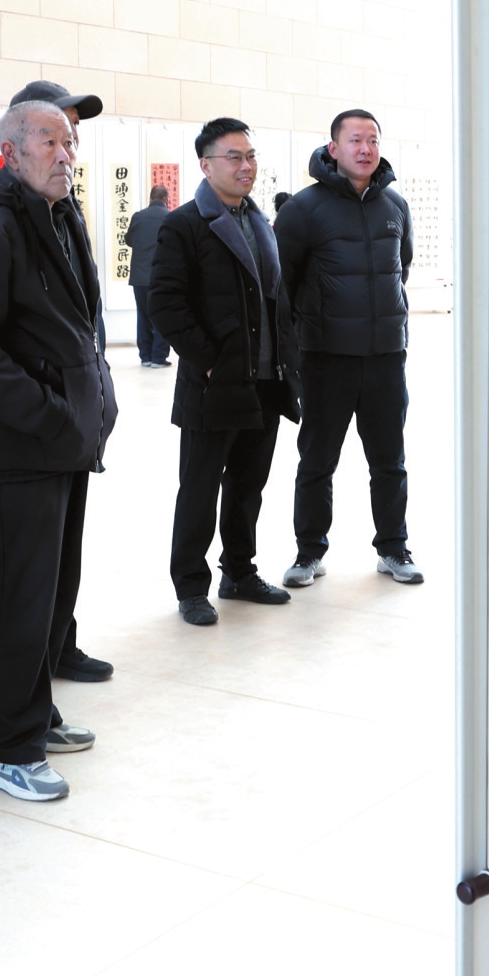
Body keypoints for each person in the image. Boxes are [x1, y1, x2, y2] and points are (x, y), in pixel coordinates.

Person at [0, 99, 116, 801]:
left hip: (62, 438)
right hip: (21, 443)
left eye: (69, 142)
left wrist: (91, 402)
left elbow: (77, 326)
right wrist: (44, 410)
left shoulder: (56, 215)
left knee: (49, 595)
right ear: (11, 151)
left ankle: (33, 716)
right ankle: (8, 749)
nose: (65, 154)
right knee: (19, 596)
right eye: (49, 141)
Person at [148, 119, 299, 624]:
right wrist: (210, 360)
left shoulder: (260, 223)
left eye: (250, 156)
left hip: (265, 381)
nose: (246, 166)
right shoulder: (185, 225)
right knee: (199, 488)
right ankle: (191, 587)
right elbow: (165, 304)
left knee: (248, 486)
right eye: (234, 157)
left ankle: (239, 572)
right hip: (213, 385)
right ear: (206, 164)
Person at [276, 108, 421, 586]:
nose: (365, 149)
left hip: (386, 358)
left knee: (390, 462)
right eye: (355, 140)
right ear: (333, 148)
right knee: (317, 462)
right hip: (326, 358)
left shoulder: (395, 207)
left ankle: (394, 548)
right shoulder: (303, 209)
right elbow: (283, 285)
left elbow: (401, 268)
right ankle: (309, 553)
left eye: (372, 140)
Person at [123, 184, 172, 368]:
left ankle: (145, 356)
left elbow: (129, 240)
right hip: (161, 276)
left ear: (150, 199)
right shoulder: (170, 217)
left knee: (143, 315)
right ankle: (158, 357)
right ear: (166, 200)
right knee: (162, 315)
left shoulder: (138, 216)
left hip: (139, 277)